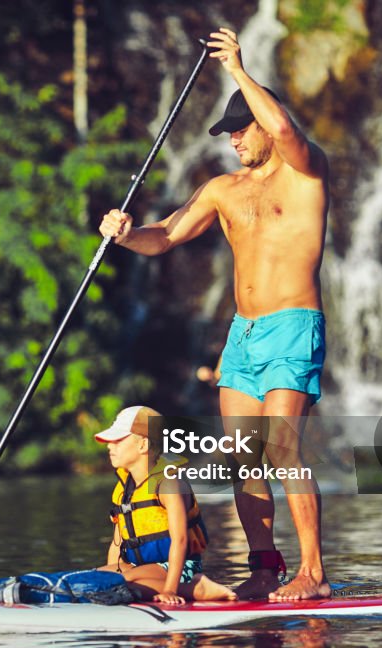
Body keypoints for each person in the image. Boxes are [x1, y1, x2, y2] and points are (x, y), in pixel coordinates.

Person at [97, 28, 331, 601]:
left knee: (281, 448)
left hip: (292, 325)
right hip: (243, 336)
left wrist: (236, 70)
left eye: (239, 128)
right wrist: (127, 236)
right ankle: (266, 567)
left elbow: (281, 128)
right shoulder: (223, 189)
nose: (234, 141)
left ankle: (314, 573)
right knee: (245, 460)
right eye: (227, 133)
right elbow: (168, 235)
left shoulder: (306, 172)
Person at [95, 405, 236, 604]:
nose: (109, 446)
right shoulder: (122, 491)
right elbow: (117, 543)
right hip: (139, 568)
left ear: (143, 445)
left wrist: (170, 590)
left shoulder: (168, 484)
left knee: (121, 581)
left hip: (178, 568)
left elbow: (179, 540)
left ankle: (195, 588)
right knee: (96, 578)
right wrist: (109, 583)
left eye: (117, 441)